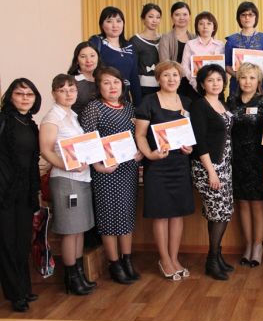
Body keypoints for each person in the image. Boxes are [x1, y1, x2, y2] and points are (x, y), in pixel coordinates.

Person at [80, 67, 144, 285]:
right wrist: (98, 166)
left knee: (126, 215)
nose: (112, 87)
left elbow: (137, 137)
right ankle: (114, 263)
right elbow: (87, 141)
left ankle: (127, 260)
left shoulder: (130, 108)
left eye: (116, 82)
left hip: (128, 170)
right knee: (109, 217)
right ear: (98, 86)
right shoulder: (94, 108)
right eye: (106, 83)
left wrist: (139, 153)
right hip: (106, 172)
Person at [134, 61, 195, 281]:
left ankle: (174, 258)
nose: (171, 79)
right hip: (157, 165)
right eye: (166, 75)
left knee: (177, 213)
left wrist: (189, 148)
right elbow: (140, 135)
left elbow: (189, 135)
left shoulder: (187, 102)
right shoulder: (148, 101)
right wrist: (149, 155)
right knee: (161, 214)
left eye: (175, 75)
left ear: (180, 78)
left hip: (180, 164)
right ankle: (164, 259)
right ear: (159, 78)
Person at [39, 74, 95, 295]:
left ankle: (79, 274)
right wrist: (67, 166)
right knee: (70, 231)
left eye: (71, 89)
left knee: (79, 229)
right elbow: (46, 150)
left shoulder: (72, 115)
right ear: (54, 93)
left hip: (81, 178)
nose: (68, 94)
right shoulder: (52, 117)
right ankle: (71, 278)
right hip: (65, 179)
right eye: (62, 90)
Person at [189, 64, 235, 280]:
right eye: (210, 80)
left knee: (224, 211)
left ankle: (217, 255)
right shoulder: (199, 106)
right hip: (208, 166)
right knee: (217, 212)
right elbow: (199, 142)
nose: (215, 83)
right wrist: (211, 172)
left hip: (224, 164)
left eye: (219, 79)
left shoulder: (222, 103)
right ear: (202, 84)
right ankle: (211, 260)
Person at [0, 78, 42, 312]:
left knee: (22, 242)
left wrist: (35, 191)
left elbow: (33, 161)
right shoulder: (3, 120)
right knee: (6, 243)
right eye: (19, 93)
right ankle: (15, 293)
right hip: (4, 192)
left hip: (24, 192)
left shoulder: (30, 124)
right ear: (10, 97)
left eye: (29, 94)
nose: (25, 98)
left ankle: (24, 287)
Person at [227, 62, 263, 268]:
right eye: (244, 77)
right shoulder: (230, 101)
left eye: (252, 78)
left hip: (258, 159)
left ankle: (258, 246)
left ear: (258, 80)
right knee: (243, 203)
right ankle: (248, 245)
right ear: (238, 79)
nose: (247, 82)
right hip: (236, 160)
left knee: (258, 204)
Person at [89, 6, 141, 106]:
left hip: (124, 100)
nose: (115, 25)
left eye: (118, 21)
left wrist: (138, 106)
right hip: (102, 101)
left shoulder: (130, 46)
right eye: (109, 21)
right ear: (102, 24)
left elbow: (134, 78)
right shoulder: (96, 42)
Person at [224, 2, 263, 95]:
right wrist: (239, 76)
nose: (247, 18)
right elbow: (227, 65)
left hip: (260, 86)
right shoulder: (231, 39)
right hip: (237, 86)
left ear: (256, 17)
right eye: (243, 15)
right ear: (239, 18)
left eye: (250, 14)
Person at [181, 11, 225, 99]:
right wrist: (195, 83)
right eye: (201, 24)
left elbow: (223, 69)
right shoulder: (190, 44)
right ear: (197, 27)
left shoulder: (220, 45)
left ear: (214, 27)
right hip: (195, 88)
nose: (205, 27)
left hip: (215, 88)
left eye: (209, 23)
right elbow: (184, 67)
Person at [158, 1, 195, 97]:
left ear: (189, 16)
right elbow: (164, 63)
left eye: (185, 14)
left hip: (192, 82)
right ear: (172, 17)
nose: (181, 18)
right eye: (177, 14)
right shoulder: (166, 38)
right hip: (173, 82)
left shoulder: (195, 37)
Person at [131, 3, 162, 96]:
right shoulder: (135, 40)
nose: (154, 20)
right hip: (144, 88)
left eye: (158, 17)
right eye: (150, 16)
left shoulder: (164, 38)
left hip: (164, 85)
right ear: (143, 18)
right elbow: (133, 68)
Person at [67, 41, 103, 115]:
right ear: (77, 60)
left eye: (92, 56)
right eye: (83, 57)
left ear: (98, 58)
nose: (88, 60)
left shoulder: (104, 79)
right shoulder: (70, 81)